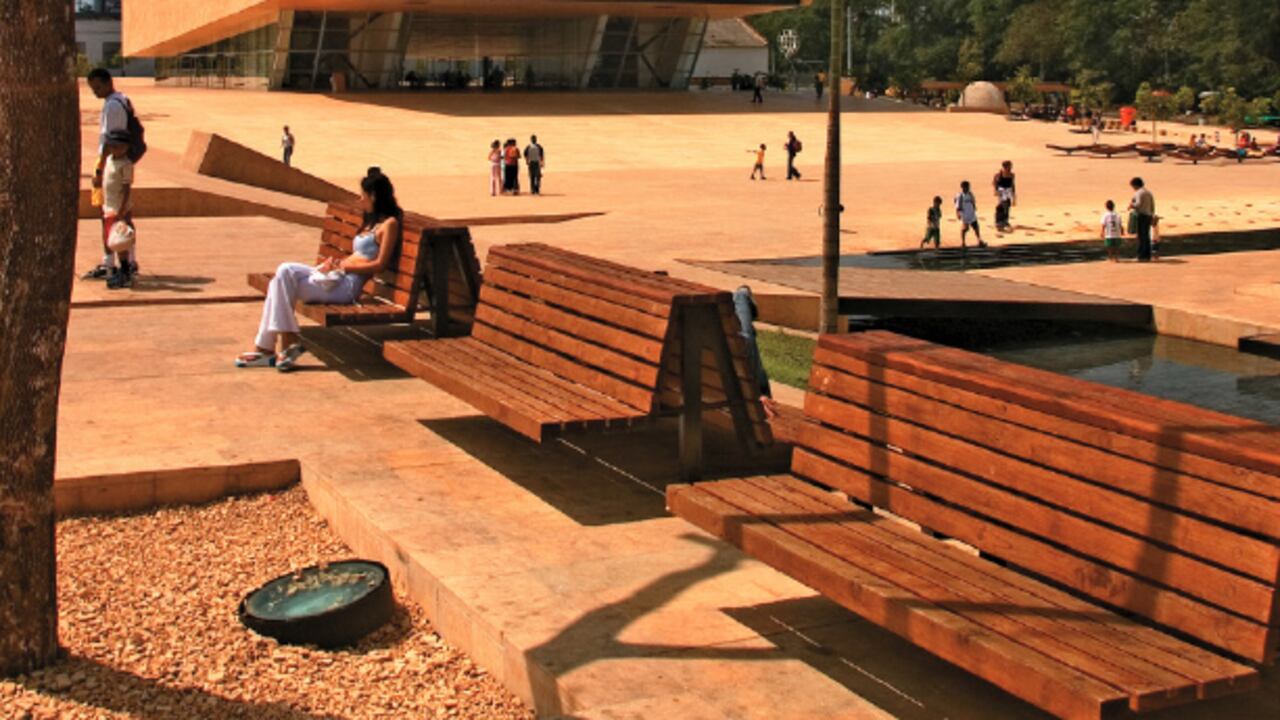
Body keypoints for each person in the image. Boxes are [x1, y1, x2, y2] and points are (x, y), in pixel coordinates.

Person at [236, 171, 403, 371]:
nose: (360, 199)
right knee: (282, 275)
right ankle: (281, 344)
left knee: (281, 279)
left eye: (364, 195)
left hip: (346, 288)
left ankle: (269, 347)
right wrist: (336, 263)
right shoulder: (371, 221)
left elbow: (379, 265)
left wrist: (344, 266)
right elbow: (357, 255)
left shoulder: (389, 225)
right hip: (336, 277)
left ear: (374, 196)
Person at [84, 68, 139, 280]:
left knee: (115, 217)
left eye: (98, 87)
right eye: (93, 88)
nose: (95, 92)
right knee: (112, 217)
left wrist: (100, 169)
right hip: (110, 164)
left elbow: (114, 141)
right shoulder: (116, 101)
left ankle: (120, 263)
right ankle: (120, 261)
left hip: (110, 165)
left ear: (109, 83)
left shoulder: (114, 105)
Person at [732, 286, 777, 420]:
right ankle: (741, 297)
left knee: (747, 336)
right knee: (747, 337)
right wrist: (758, 395)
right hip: (747, 391)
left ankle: (741, 297)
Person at [101, 130, 136, 289]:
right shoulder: (109, 160)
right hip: (108, 205)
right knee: (111, 239)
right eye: (113, 146)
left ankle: (125, 270)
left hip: (118, 207)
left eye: (119, 146)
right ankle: (118, 268)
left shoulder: (126, 164)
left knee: (120, 241)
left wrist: (122, 210)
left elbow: (126, 187)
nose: (116, 149)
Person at [1128, 177, 1155, 262]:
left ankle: (1141, 256)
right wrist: (1152, 215)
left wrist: (1132, 205)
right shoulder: (1148, 192)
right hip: (1148, 215)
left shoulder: (1139, 193)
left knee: (1141, 236)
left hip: (1141, 215)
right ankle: (1147, 255)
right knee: (1146, 236)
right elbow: (1152, 205)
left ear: (1135, 185)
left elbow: (1138, 204)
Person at [954, 180, 985, 248]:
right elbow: (957, 206)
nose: (967, 188)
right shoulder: (960, 196)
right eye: (966, 187)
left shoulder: (970, 194)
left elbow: (973, 202)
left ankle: (979, 240)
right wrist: (958, 214)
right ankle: (963, 242)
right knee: (965, 228)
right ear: (962, 187)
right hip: (965, 215)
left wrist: (974, 208)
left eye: (968, 187)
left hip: (971, 214)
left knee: (976, 227)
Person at [992, 161, 1016, 232]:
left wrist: (1013, 196)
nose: (1011, 167)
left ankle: (1004, 221)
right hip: (1001, 191)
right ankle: (999, 222)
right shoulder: (999, 174)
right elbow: (994, 183)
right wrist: (995, 191)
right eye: (1010, 166)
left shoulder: (1012, 175)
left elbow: (1012, 185)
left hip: (1008, 191)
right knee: (1002, 206)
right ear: (1005, 166)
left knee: (1007, 206)